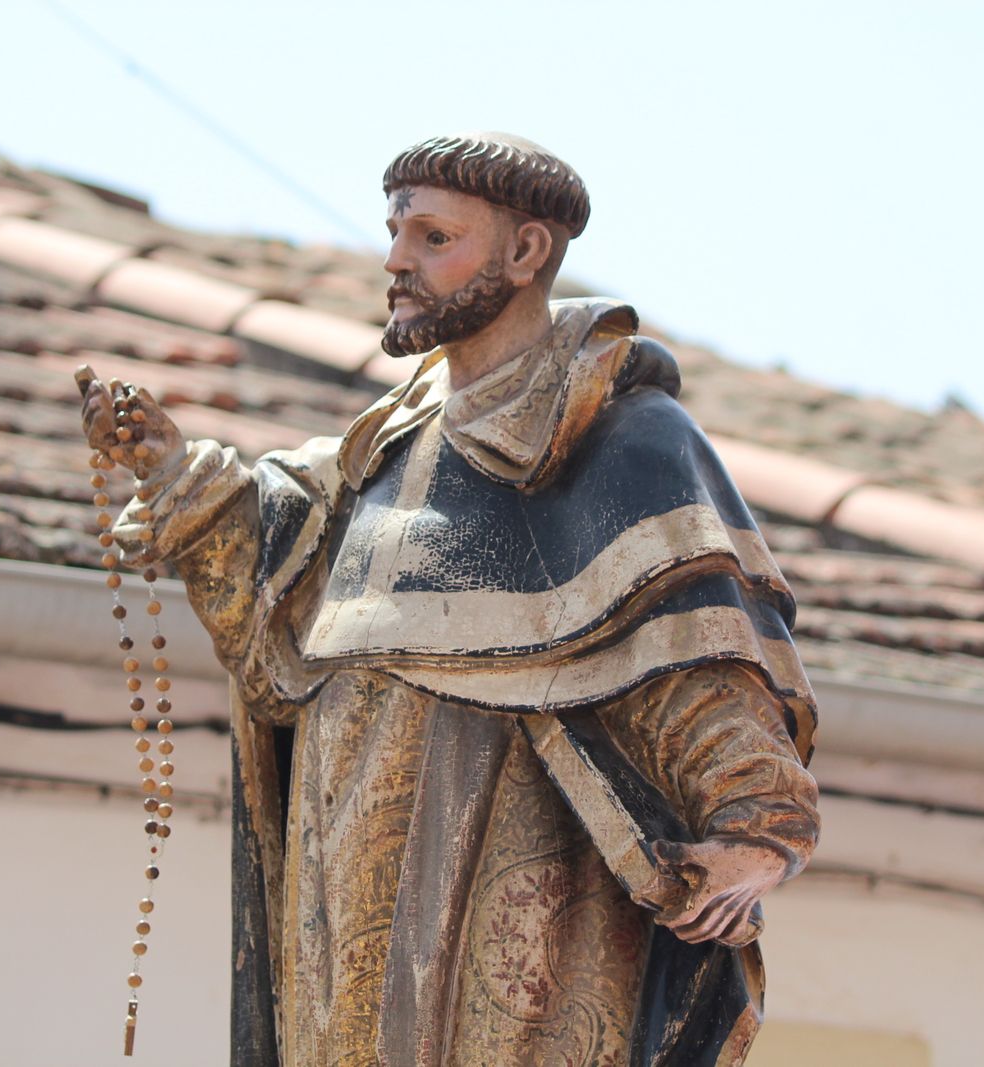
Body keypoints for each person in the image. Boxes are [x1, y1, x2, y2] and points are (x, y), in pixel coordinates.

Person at [82, 133, 820, 1067]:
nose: (395, 261)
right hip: (341, 873)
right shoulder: (375, 455)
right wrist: (174, 470)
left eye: (434, 238)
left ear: (526, 254)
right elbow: (280, 594)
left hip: (513, 881)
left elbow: (691, 654)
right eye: (396, 233)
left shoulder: (624, 440)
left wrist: (754, 821)